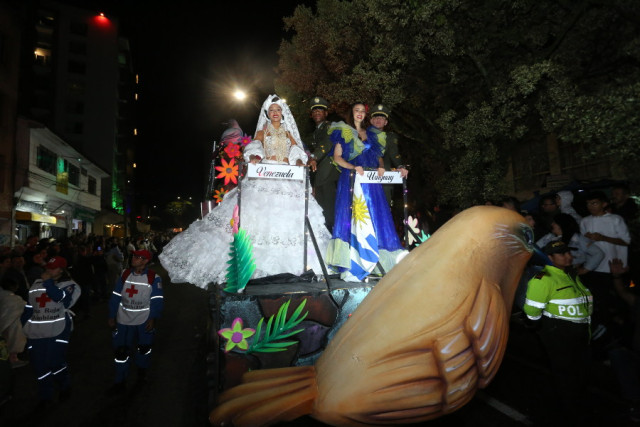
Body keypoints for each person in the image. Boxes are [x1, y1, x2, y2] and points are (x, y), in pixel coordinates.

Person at [159, 95, 331, 288]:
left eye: (278, 110)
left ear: (283, 113)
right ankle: (254, 268)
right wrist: (255, 155)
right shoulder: (263, 130)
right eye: (271, 110)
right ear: (267, 113)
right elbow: (255, 145)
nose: (275, 113)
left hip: (287, 176)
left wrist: (298, 160)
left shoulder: (288, 131)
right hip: (266, 173)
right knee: (259, 220)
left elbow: (296, 149)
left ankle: (295, 268)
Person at [326, 102, 406, 281]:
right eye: (357, 110)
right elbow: (337, 157)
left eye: (362, 111)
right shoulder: (343, 131)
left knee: (375, 216)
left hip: (370, 180)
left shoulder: (370, 133)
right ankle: (352, 262)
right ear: (352, 112)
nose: (360, 113)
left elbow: (379, 156)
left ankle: (376, 262)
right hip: (352, 178)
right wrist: (352, 167)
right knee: (353, 217)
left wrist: (381, 166)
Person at [523, 240, 593, 423]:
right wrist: (546, 328)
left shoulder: (570, 274)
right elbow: (531, 311)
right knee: (566, 376)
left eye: (568, 252)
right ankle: (570, 415)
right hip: (560, 332)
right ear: (550, 257)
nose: (568, 256)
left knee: (579, 374)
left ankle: (573, 408)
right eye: (562, 253)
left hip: (581, 332)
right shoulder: (543, 278)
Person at [21, 256, 81, 407]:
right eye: (48, 267)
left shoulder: (70, 285)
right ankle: (45, 396)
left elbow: (64, 300)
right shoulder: (36, 284)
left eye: (53, 268)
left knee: (54, 361)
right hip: (35, 331)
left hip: (57, 329)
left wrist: (48, 283)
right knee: (39, 365)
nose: (49, 270)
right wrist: (24, 324)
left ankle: (64, 385)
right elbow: (29, 306)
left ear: (61, 270)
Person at [107, 250, 163, 393]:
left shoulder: (153, 278)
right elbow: (116, 295)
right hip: (123, 318)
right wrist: (112, 315)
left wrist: (153, 318)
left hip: (143, 319)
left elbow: (157, 300)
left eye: (138, 257)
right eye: (134, 256)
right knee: (121, 352)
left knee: (144, 348)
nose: (134, 258)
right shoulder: (125, 274)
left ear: (145, 261)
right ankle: (120, 381)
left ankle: (141, 375)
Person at [307, 96, 340, 231]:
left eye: (320, 110)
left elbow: (326, 143)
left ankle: (332, 236)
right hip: (320, 176)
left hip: (329, 175)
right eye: (314, 111)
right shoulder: (316, 131)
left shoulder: (330, 127)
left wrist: (313, 157)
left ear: (326, 113)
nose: (317, 113)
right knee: (322, 209)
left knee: (329, 210)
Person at [369, 104, 408, 206]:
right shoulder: (363, 135)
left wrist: (400, 166)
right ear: (371, 120)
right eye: (376, 117)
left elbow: (394, 155)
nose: (378, 120)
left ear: (386, 122)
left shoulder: (389, 137)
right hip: (365, 176)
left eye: (382, 118)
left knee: (384, 208)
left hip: (384, 178)